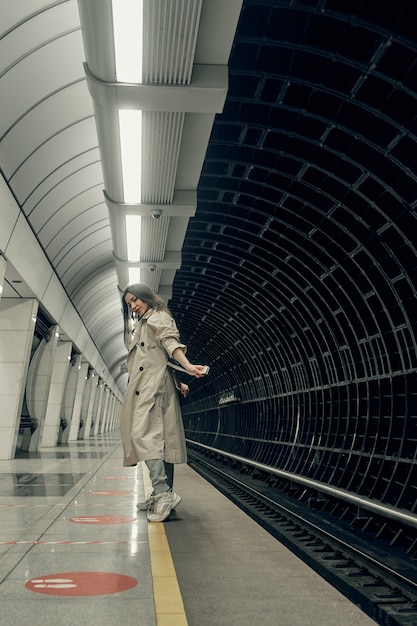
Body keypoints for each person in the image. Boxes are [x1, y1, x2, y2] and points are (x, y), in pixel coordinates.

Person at [119, 283, 209, 522]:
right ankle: (163, 492)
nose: (133, 305)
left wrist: (188, 366)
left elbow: (170, 344)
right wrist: (179, 381)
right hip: (149, 385)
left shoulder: (157, 317)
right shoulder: (144, 321)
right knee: (159, 442)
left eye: (135, 299)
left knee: (144, 436)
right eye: (129, 303)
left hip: (153, 388)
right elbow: (159, 357)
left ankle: (162, 494)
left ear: (147, 297)